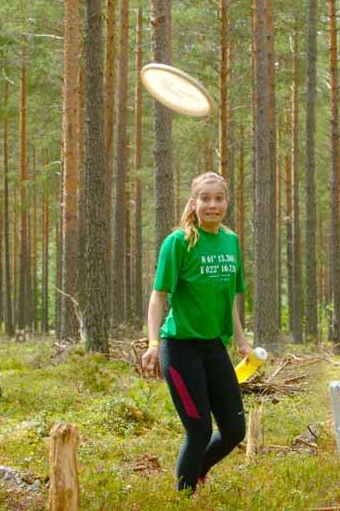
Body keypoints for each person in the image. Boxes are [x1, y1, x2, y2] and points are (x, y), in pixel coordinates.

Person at [141, 171, 252, 493]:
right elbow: (158, 296)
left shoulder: (230, 241)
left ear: (226, 203)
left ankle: (195, 471)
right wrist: (152, 344)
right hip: (180, 349)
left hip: (214, 347)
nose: (212, 205)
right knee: (199, 430)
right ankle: (183, 497)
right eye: (205, 199)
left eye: (218, 198)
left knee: (234, 430)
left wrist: (241, 341)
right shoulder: (179, 242)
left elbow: (228, 298)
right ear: (194, 202)